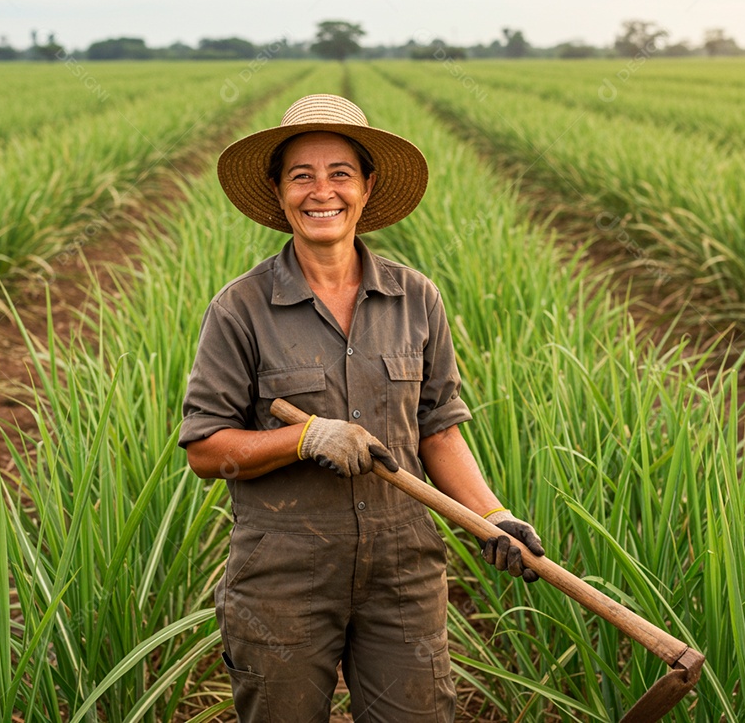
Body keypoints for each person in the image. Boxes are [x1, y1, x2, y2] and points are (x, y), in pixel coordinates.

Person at [178, 94, 544, 722]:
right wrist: (304, 439)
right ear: (279, 191)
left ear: (367, 188)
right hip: (283, 575)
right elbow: (207, 449)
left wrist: (492, 516)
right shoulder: (240, 309)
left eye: (340, 174)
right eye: (302, 176)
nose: (323, 192)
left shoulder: (415, 299)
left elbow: (437, 428)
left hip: (403, 571)